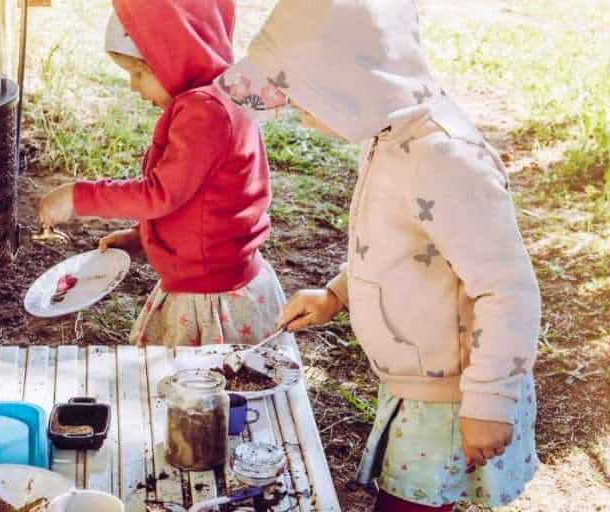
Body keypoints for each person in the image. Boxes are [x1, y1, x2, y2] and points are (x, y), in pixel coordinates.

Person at [215, 0, 542, 510]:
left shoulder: (448, 160)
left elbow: (507, 289)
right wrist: (335, 295)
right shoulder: (388, 133)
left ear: (352, 79)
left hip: (455, 396)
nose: (293, 108)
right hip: (419, 383)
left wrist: (490, 401)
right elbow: (404, 251)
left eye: (303, 94)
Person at [38, 0, 289, 348]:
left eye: (139, 73)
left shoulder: (205, 112)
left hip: (211, 296)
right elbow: (206, 199)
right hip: (214, 276)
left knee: (204, 391)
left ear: (175, 54)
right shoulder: (222, 93)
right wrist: (145, 236)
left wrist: (77, 195)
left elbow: (161, 193)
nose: (133, 87)